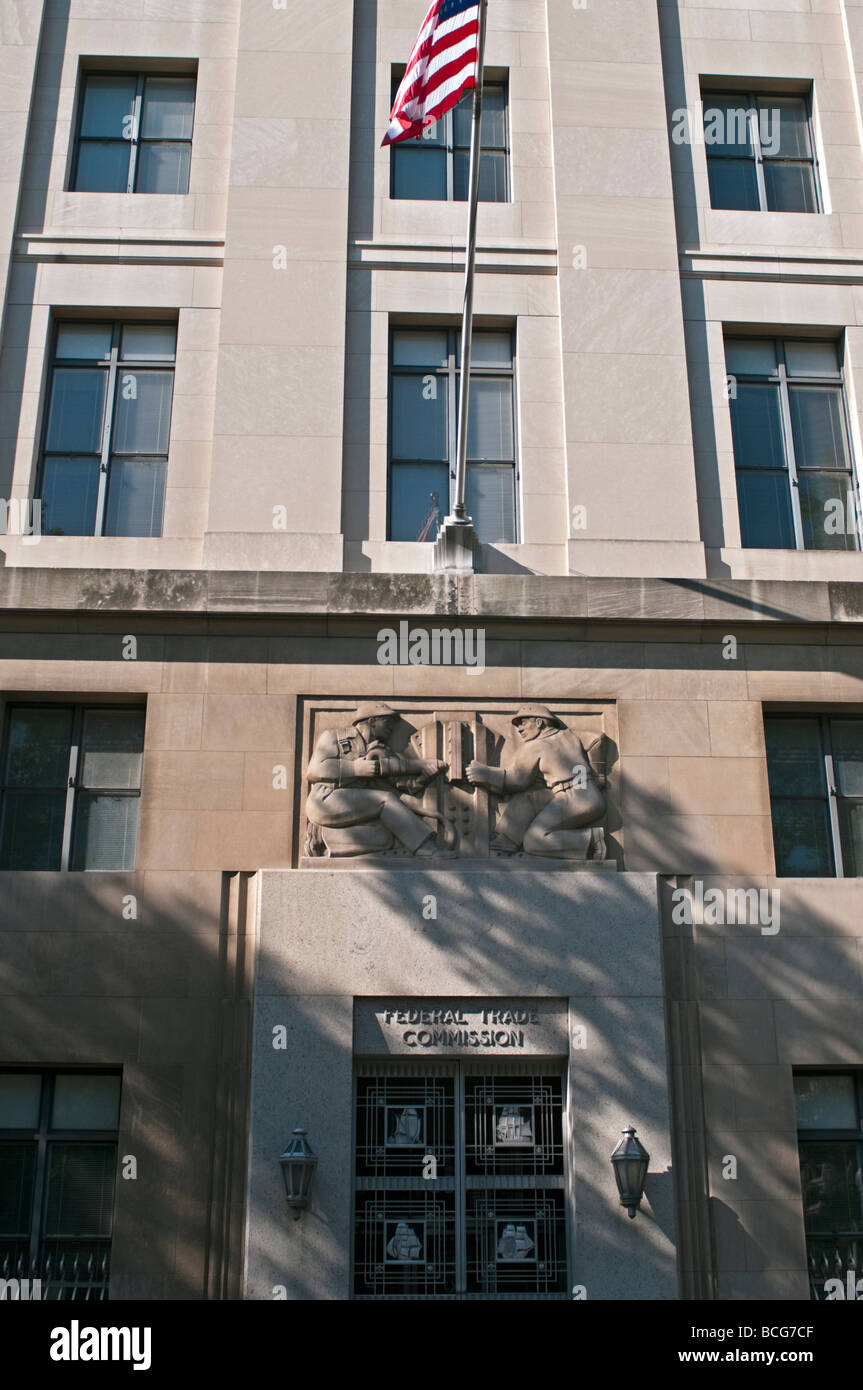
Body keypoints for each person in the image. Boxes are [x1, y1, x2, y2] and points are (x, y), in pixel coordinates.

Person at [307, 702, 448, 856]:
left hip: (358, 808)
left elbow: (405, 785)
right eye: (388, 721)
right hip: (325, 799)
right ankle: (426, 849)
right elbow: (314, 770)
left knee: (385, 838)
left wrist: (426, 774)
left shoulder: (380, 750)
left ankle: (324, 835)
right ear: (372, 721)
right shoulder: (334, 737)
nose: (392, 727)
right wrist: (354, 769)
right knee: (385, 799)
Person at [466, 703, 606, 858]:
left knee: (534, 841)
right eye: (518, 725)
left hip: (575, 799)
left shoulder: (535, 746)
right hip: (583, 793)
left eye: (523, 723)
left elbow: (517, 779)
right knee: (530, 796)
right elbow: (596, 740)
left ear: (539, 722)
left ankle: (591, 841)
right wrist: (598, 774)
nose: (519, 729)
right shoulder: (569, 735)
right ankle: (507, 840)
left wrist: (485, 773)